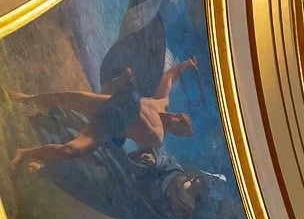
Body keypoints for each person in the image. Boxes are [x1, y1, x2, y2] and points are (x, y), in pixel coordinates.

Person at [9, 56, 199, 172]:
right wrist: (187, 64)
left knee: (70, 150)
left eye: (181, 133)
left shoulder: (157, 136)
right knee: (66, 97)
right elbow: (169, 77)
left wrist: (130, 87)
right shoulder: (161, 102)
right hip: (111, 104)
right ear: (179, 117)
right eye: (181, 129)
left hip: (108, 126)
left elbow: (133, 115)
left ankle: (25, 153)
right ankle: (26, 99)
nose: (177, 132)